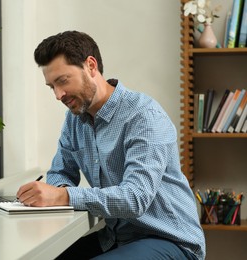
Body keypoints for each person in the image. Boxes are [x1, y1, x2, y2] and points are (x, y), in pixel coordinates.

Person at [16, 31, 205, 259]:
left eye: (63, 81)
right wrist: (56, 191)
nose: (58, 95)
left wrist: (62, 197)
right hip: (116, 238)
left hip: (170, 240)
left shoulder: (144, 116)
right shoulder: (74, 119)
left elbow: (135, 198)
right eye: (51, 87)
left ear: (91, 66)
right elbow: (59, 172)